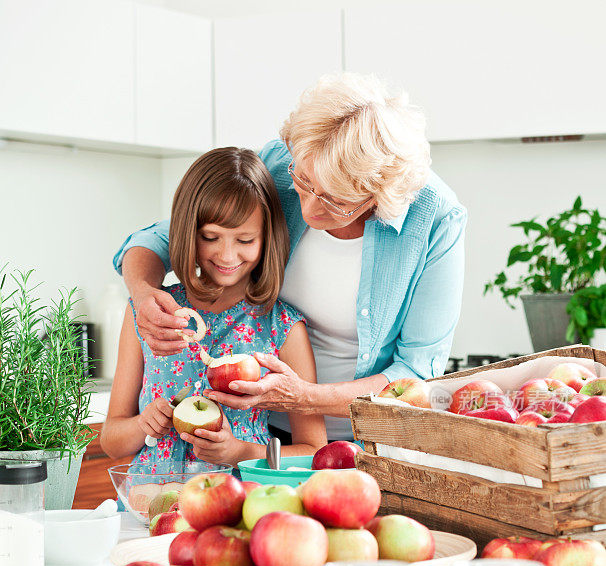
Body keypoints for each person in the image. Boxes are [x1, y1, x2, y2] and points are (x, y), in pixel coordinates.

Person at [112, 73, 466, 443]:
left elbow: (415, 373)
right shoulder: (283, 164)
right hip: (262, 435)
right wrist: (141, 293)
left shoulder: (434, 218)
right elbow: (169, 236)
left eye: (336, 200)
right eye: (305, 183)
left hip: (367, 434)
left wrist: (304, 398)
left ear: (378, 195)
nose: (310, 208)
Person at [101, 147, 327, 471]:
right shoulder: (152, 313)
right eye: (211, 237)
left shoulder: (284, 327)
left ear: (267, 239)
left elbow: (313, 450)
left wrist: (237, 451)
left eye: (245, 240)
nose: (226, 254)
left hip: (241, 507)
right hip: (151, 504)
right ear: (188, 233)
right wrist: (143, 424)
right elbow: (110, 440)